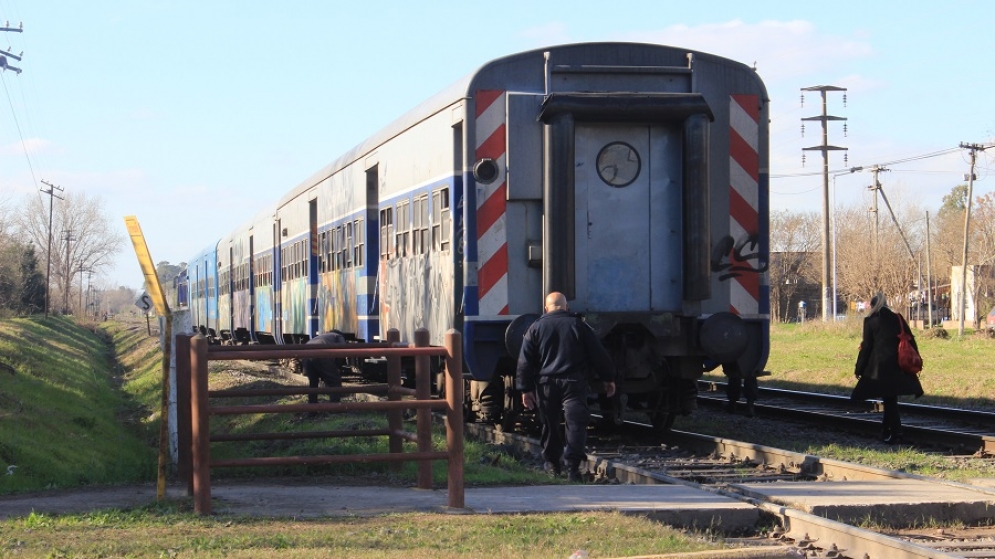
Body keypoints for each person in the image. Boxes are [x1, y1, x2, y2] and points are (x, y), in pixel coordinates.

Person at [515, 292, 616, 482]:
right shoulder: (579, 326)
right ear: (566, 307)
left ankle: (552, 465)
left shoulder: (535, 328)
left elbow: (524, 362)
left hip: (546, 385)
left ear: (546, 309)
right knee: (576, 424)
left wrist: (525, 389)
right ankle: (573, 468)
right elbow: (598, 354)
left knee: (550, 425)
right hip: (574, 384)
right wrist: (608, 378)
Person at [851, 292, 924, 444]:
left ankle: (896, 433)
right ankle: (887, 431)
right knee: (890, 399)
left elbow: (867, 347)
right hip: (899, 363)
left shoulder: (870, 321)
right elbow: (911, 340)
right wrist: (915, 360)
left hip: (881, 366)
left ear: (872, 306)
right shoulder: (898, 318)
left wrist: (859, 368)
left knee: (889, 399)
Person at [304, 330, 346, 404]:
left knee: (313, 383)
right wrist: (337, 367)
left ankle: (312, 408)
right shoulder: (339, 336)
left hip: (305, 353)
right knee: (335, 381)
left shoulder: (323, 336)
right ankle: (334, 407)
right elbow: (342, 352)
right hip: (321, 353)